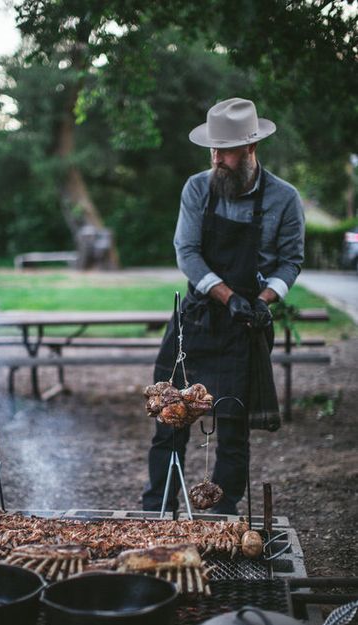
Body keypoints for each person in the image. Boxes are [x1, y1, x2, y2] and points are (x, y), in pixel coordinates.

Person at [142, 97, 305, 515]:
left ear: (250, 149)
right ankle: (158, 510)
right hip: (195, 320)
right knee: (169, 421)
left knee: (232, 429)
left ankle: (222, 513)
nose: (216, 158)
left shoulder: (284, 199)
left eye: (225, 150)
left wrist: (263, 301)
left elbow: (291, 261)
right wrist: (227, 296)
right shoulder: (197, 187)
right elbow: (187, 253)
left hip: (246, 327)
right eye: (212, 149)